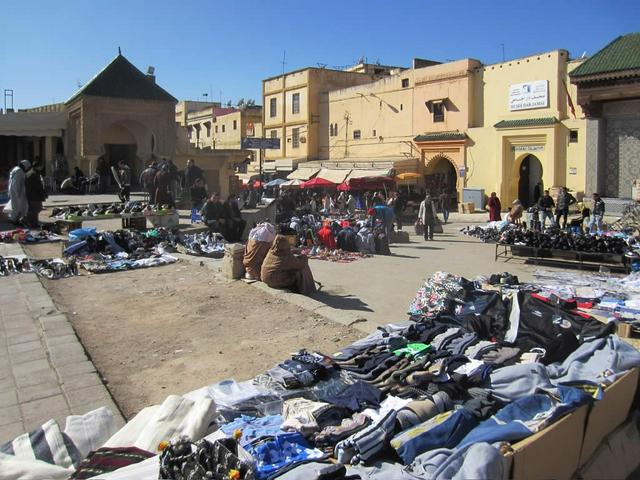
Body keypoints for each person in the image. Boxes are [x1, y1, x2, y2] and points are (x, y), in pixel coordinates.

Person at [4, 160, 31, 224]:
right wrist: (18, 193)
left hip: (15, 191)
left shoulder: (16, 170)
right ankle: (14, 220)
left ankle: (15, 219)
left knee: (16, 206)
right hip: (17, 192)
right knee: (17, 207)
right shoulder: (19, 172)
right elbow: (16, 183)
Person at [25, 162, 47, 227]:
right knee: (36, 209)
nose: (42, 168)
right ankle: (29, 221)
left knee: (35, 209)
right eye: (41, 166)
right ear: (38, 166)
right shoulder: (35, 174)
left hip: (31, 194)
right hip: (35, 195)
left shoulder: (30, 172)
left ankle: (33, 222)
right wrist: (42, 192)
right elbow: (37, 185)